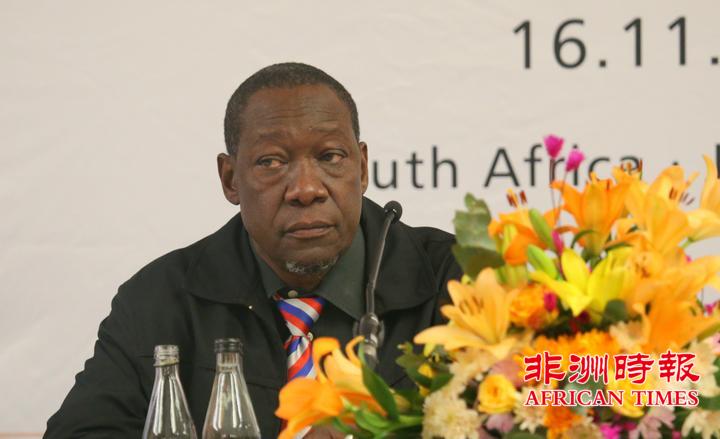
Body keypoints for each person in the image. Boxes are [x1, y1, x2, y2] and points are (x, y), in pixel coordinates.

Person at [45, 62, 462, 438]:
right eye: (271, 162)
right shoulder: (159, 301)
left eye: (330, 156)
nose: (306, 189)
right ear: (230, 179)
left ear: (362, 166)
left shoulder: (457, 283)